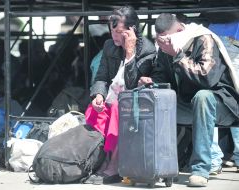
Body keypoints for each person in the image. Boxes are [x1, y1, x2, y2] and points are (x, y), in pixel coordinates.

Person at [139, 13, 239, 187]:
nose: (163, 43)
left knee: (203, 96)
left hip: (221, 103)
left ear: (179, 30)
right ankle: (158, 165)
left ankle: (200, 169)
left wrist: (177, 55)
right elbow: (161, 75)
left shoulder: (202, 38)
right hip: (188, 105)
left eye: (166, 38)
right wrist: (151, 82)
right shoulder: (165, 48)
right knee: (156, 100)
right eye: (160, 40)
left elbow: (207, 78)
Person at [84, 6, 156, 184]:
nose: (114, 36)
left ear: (132, 30)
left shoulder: (146, 49)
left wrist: (130, 53)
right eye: (111, 30)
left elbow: (132, 85)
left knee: (118, 108)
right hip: (112, 99)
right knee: (94, 111)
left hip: (133, 102)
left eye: (119, 31)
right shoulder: (109, 46)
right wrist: (98, 95)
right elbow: (101, 77)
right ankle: (102, 159)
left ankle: (114, 164)